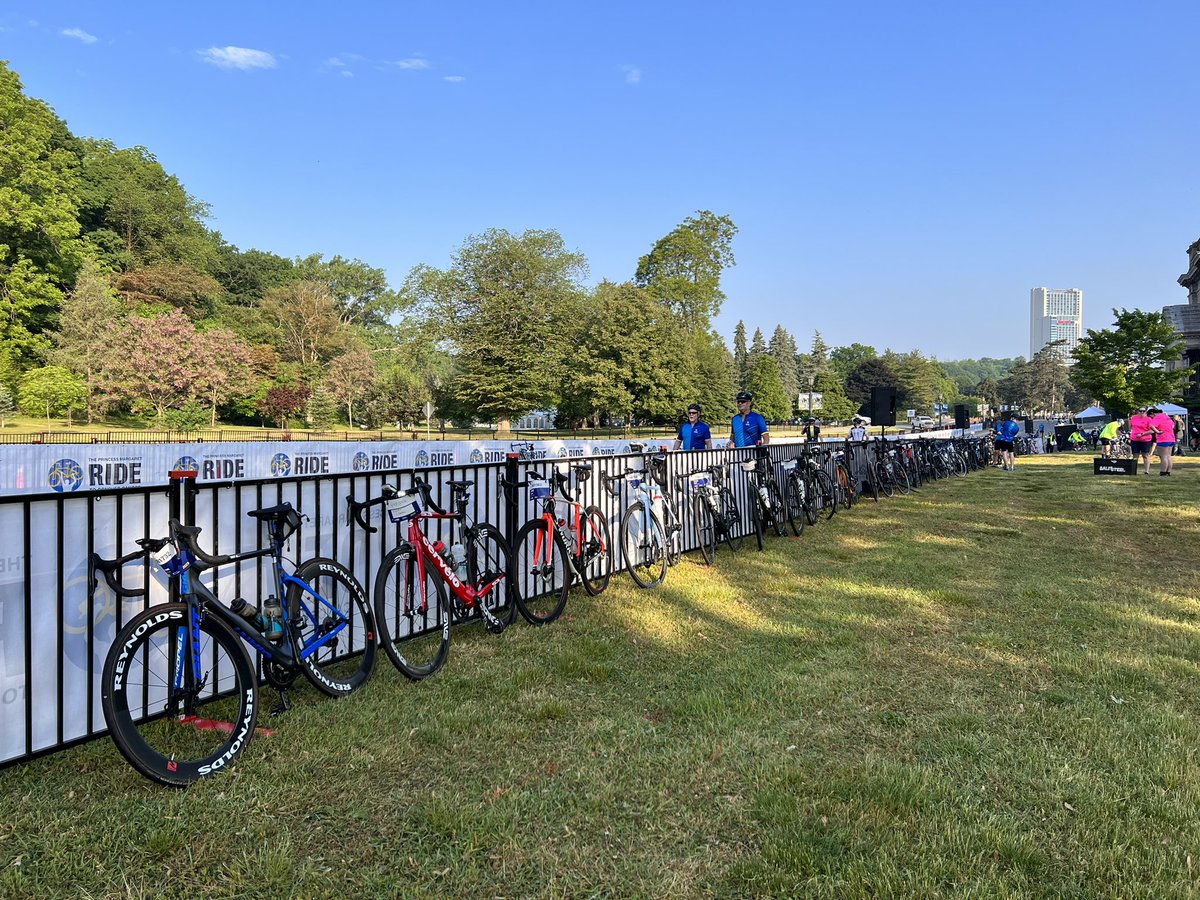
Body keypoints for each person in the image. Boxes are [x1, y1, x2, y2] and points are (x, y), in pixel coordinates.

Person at [1148, 406, 1176, 476]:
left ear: (1153, 413)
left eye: (1150, 416)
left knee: (1163, 456)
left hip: (1163, 438)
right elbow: (1173, 425)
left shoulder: (1158, 417)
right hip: (1171, 438)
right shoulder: (1166, 416)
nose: (1151, 418)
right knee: (1168, 456)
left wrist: (1157, 431)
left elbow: (1151, 425)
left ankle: (1163, 472)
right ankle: (1168, 472)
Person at [1128, 406, 1155, 475]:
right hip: (1135, 439)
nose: (1142, 412)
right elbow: (1130, 427)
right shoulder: (1133, 418)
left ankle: (1146, 471)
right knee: (1135, 455)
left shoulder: (1149, 419)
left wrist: (1142, 434)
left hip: (1145, 440)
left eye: (1143, 411)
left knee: (1145, 455)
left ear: (1146, 412)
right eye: (1140, 411)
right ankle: (1133, 470)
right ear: (1138, 411)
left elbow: (1152, 431)